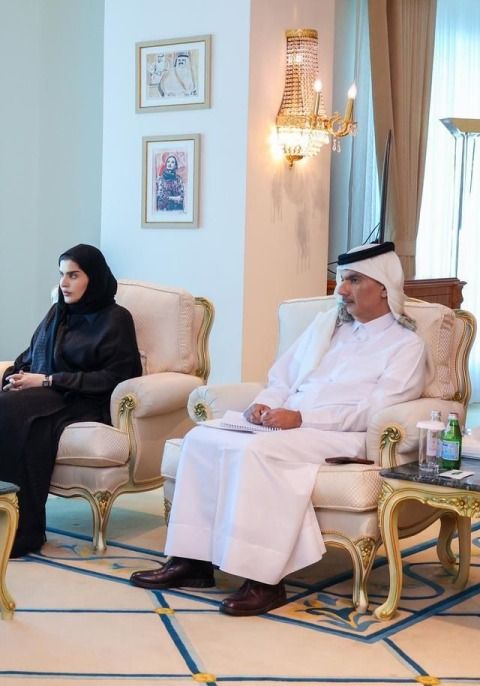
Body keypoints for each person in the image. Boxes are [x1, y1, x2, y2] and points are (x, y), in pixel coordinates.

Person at [130, 242, 427, 616]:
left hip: (340, 435)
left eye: (353, 280)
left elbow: (376, 411)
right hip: (289, 423)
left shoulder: (406, 344)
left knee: (257, 452)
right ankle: (192, 562)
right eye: (342, 279)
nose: (341, 290)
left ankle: (264, 580)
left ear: (383, 287)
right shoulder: (326, 327)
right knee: (201, 436)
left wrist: (302, 418)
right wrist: (266, 404)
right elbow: (282, 378)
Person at [0, 244, 142, 559]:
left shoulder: (116, 319)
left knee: (4, 415)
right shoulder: (57, 313)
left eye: (73, 275)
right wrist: (17, 376)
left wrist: (49, 380)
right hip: (43, 394)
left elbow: (116, 377)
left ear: (94, 278)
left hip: (81, 399)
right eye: (62, 274)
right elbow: (30, 355)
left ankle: (14, 529)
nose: (64, 283)